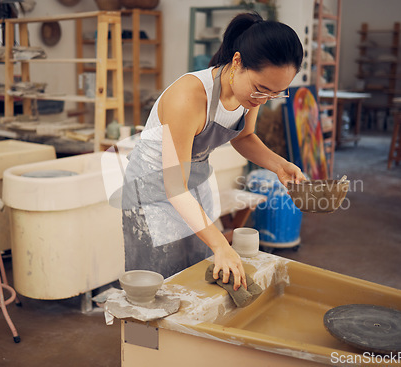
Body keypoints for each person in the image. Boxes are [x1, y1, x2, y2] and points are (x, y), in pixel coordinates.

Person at [121, 12, 306, 291]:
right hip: (154, 189)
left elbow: (244, 137)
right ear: (237, 62)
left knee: (199, 272)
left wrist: (279, 165)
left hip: (192, 182)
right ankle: (144, 337)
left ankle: (191, 335)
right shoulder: (188, 98)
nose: (264, 99)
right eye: (261, 90)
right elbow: (174, 187)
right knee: (159, 285)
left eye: (275, 93)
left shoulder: (251, 93)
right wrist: (222, 243)